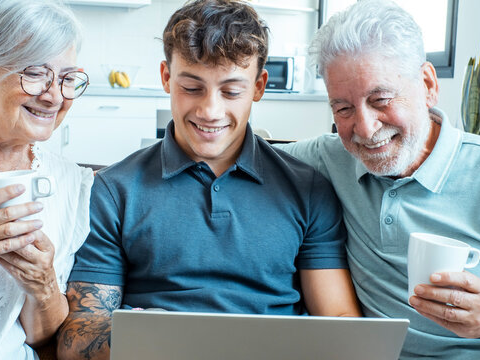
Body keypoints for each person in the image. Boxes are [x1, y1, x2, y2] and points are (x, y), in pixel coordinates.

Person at [57, 0, 361, 358]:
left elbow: (339, 321)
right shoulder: (112, 191)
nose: (209, 111)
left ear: (259, 86)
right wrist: (169, 341)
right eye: (191, 87)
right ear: (167, 78)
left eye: (231, 92)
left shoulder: (308, 189)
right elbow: (77, 340)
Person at [275, 0, 480, 358]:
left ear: (427, 84)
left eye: (381, 99)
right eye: (343, 108)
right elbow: (244, 154)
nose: (365, 128)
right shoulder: (327, 159)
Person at [0, 0, 93, 359]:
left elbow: (42, 338)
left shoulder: (69, 182)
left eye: (67, 79)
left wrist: (42, 286)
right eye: (35, 73)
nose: (54, 96)